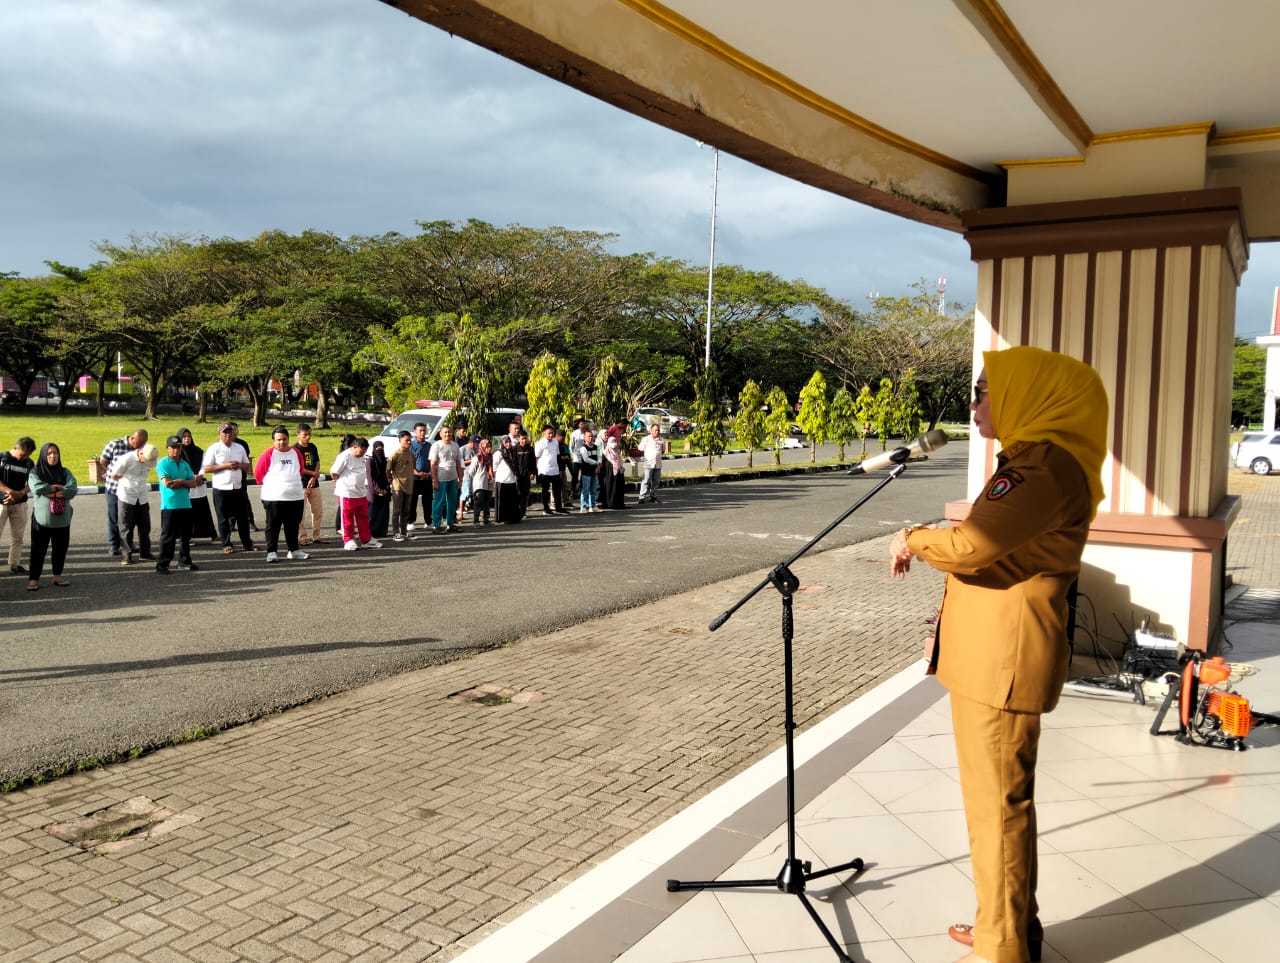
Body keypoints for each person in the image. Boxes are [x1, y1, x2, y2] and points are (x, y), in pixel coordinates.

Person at [888, 346, 1107, 963]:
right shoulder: (1037, 462)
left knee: (998, 810)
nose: (975, 401)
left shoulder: (1043, 469)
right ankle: (1006, 927)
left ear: (1032, 394)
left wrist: (912, 536)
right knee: (998, 807)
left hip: (1002, 664)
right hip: (994, 657)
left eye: (986, 389)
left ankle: (1002, 950)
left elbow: (970, 545)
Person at [26, 442, 77, 590]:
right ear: (43, 455)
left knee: (60, 549)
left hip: (62, 520)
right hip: (42, 520)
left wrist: (49, 491)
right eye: (49, 453)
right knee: (37, 550)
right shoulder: (36, 472)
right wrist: (57, 488)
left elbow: (72, 490)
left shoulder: (65, 472)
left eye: (55, 453)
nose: (53, 456)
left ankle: (57, 576)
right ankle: (33, 580)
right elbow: (36, 488)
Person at [254, 426, 308, 563]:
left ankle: (293, 550)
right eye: (278, 440)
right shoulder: (269, 454)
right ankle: (271, 552)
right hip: (274, 497)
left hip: (295, 496)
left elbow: (300, 470)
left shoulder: (296, 452)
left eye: (284, 439)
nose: (281, 442)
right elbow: (258, 474)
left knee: (293, 525)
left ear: (288, 439)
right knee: (273, 526)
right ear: (273, 440)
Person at [202, 422, 256, 555]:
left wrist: (240, 465)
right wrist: (224, 466)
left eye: (230, 432)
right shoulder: (214, 448)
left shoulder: (239, 448)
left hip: (238, 487)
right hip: (221, 488)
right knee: (223, 518)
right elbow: (207, 468)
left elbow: (248, 466)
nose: (228, 435)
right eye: (225, 432)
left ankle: (247, 543)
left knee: (242, 517)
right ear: (219, 434)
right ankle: (226, 544)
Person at [155, 435, 202, 575]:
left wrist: (180, 482)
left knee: (186, 536)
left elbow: (194, 483)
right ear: (167, 448)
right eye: (173, 447)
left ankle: (184, 560)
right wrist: (184, 482)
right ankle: (162, 564)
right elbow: (168, 484)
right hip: (170, 505)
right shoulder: (163, 463)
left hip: (185, 504)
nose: (176, 450)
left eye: (178, 447)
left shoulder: (184, 464)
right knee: (168, 536)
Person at [97, 428, 148, 556]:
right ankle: (113, 545)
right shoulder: (115, 444)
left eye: (144, 443)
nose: (142, 446)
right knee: (115, 518)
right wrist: (112, 472)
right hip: (114, 487)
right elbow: (103, 460)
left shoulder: (141, 450)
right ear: (132, 438)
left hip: (131, 490)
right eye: (140, 443)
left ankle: (128, 545)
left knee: (129, 520)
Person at [110, 441, 158, 565]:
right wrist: (127, 481)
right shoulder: (126, 459)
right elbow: (114, 475)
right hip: (127, 494)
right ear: (141, 453)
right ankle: (127, 554)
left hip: (142, 494)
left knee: (145, 525)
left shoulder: (150, 457)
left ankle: (145, 552)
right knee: (126, 525)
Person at [332, 437, 379, 551]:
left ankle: (366, 539)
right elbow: (334, 472)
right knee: (347, 518)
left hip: (361, 492)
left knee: (363, 516)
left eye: (364, 451)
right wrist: (340, 483)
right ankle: (348, 540)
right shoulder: (345, 456)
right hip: (347, 492)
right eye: (361, 451)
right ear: (354, 447)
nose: (362, 454)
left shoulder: (363, 456)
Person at [1, 436, 36, 575]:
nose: (24, 458)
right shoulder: (2, 459)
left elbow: (33, 482)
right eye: (22, 454)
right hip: (1, 503)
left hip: (20, 504)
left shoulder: (29, 463)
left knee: (18, 536)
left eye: (27, 455)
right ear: (15, 447)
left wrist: (20, 493)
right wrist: (9, 491)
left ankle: (15, 564)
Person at [178, 428, 217, 542]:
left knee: (203, 511)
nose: (187, 439)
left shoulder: (198, 451)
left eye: (188, 436)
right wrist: (192, 478)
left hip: (199, 484)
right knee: (187, 513)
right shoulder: (178, 453)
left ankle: (211, 533)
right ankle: (186, 536)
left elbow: (203, 465)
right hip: (186, 485)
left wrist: (199, 476)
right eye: (184, 437)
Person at [294, 423, 326, 545]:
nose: (307, 437)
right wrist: (313, 473)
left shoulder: (312, 446)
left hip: (314, 483)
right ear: (298, 435)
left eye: (309, 434)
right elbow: (299, 467)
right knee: (301, 513)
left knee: (318, 511)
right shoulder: (295, 449)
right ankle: (302, 537)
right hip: (301, 484)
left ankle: (316, 536)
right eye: (304, 435)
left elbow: (317, 462)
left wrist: (315, 474)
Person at [429, 425, 463, 534]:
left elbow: (459, 463)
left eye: (449, 432)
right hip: (441, 478)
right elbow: (433, 464)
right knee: (439, 502)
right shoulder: (436, 446)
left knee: (452, 502)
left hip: (453, 478)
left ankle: (450, 524)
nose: (447, 434)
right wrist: (434, 480)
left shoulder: (455, 445)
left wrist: (460, 479)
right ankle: (436, 526)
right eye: (445, 432)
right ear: (440, 434)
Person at [386, 430, 416, 541]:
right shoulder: (395, 454)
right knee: (397, 510)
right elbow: (388, 470)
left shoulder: (411, 455)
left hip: (409, 486)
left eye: (410, 440)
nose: (409, 442)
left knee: (406, 510)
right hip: (398, 486)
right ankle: (395, 532)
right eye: (406, 440)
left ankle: (404, 531)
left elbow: (412, 468)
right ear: (400, 441)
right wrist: (390, 479)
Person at [534, 426, 566, 516]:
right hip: (545, 470)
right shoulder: (540, 443)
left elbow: (557, 454)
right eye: (549, 433)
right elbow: (536, 457)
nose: (551, 435)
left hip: (555, 469)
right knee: (545, 489)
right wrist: (538, 470)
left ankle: (558, 508)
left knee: (557, 489)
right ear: (544, 433)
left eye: (552, 433)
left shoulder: (555, 442)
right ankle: (546, 508)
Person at [493, 435, 523, 524]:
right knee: (502, 500)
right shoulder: (498, 453)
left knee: (512, 500)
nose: (508, 444)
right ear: (502, 443)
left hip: (511, 479)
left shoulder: (512, 452)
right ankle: (502, 518)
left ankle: (513, 517)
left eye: (509, 442)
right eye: (506, 442)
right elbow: (494, 467)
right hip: (502, 480)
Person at [408, 422, 432, 532]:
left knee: (427, 501)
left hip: (427, 477)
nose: (422, 433)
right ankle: (411, 521)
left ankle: (428, 521)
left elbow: (432, 461)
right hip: (414, 478)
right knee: (412, 501)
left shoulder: (429, 446)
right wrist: (417, 473)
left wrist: (430, 472)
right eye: (420, 430)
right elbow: (409, 463)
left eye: (424, 430)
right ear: (415, 432)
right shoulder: (411, 445)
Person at [467, 437, 495, 525]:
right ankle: (476, 521)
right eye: (487, 447)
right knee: (478, 502)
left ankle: (486, 520)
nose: (489, 448)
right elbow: (471, 472)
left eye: (490, 446)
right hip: (480, 484)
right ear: (482, 447)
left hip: (489, 483)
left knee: (487, 503)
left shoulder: (490, 457)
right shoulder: (477, 458)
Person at [637, 423, 667, 504]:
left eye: (658, 430)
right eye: (655, 430)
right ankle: (641, 497)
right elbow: (640, 448)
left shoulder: (662, 440)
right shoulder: (646, 439)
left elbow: (663, 450)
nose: (657, 432)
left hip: (658, 463)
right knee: (646, 480)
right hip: (648, 464)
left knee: (656, 481)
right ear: (651, 431)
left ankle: (653, 496)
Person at [366, 440, 391, 539]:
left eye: (381, 449)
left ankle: (382, 531)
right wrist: (378, 490)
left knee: (383, 513)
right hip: (374, 492)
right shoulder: (370, 461)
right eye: (377, 449)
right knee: (373, 514)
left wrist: (386, 489)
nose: (379, 451)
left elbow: (389, 476)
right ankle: (371, 533)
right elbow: (370, 478)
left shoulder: (385, 461)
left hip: (385, 491)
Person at [599, 434, 628, 510]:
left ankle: (619, 503)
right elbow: (603, 464)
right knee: (610, 488)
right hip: (609, 475)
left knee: (618, 488)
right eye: (612, 441)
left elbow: (619, 461)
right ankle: (610, 503)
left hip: (618, 473)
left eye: (615, 441)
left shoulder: (617, 451)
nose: (614, 443)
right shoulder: (605, 453)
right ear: (608, 443)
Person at [577, 429, 601, 512]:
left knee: (593, 489)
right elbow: (586, 459)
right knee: (585, 489)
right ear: (585, 438)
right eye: (589, 436)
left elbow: (599, 456)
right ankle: (583, 506)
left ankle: (592, 506)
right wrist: (596, 462)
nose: (591, 438)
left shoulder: (595, 447)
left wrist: (598, 465)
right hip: (586, 471)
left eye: (592, 436)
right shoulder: (583, 448)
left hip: (594, 471)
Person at [456, 433, 478, 525]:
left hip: (475, 474)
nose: (476, 445)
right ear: (470, 441)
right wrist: (471, 460)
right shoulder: (463, 449)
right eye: (475, 443)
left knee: (470, 493)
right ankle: (460, 512)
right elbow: (459, 463)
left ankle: (463, 511)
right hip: (465, 474)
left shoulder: (476, 449)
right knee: (465, 493)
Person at [513, 431, 536, 512]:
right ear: (519, 439)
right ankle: (517, 510)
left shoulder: (530, 449)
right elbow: (514, 463)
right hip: (518, 475)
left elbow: (533, 462)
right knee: (518, 493)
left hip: (527, 474)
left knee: (525, 493)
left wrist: (533, 473)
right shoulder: (514, 449)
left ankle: (523, 511)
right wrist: (515, 473)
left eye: (525, 438)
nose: (524, 441)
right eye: (522, 439)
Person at [568, 418, 587, 496]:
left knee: (584, 474)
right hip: (576, 457)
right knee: (575, 475)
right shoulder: (574, 434)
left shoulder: (587, 433)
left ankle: (581, 489)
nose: (583, 425)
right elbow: (571, 446)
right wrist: (572, 455)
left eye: (584, 424)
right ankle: (573, 490)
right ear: (579, 425)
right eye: (581, 424)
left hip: (585, 457)